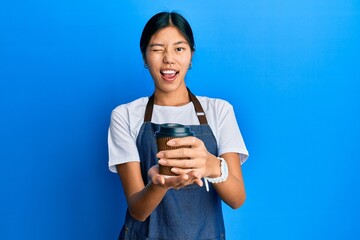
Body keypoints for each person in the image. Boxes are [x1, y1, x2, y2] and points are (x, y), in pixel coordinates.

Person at [108, 11, 249, 240]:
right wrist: (160, 184)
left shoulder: (219, 111)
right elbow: (137, 210)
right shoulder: (125, 115)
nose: (169, 59)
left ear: (191, 56)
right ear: (144, 56)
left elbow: (237, 199)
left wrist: (212, 166)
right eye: (157, 49)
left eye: (179, 48)